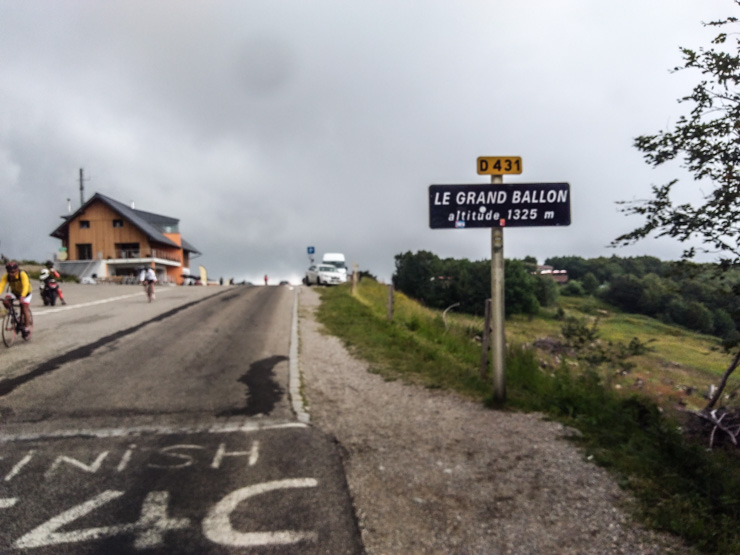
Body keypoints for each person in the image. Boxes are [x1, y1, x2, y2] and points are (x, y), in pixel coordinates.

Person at [0, 261, 33, 338]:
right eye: (9, 272)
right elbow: (1, 286)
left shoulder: (22, 274)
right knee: (5, 301)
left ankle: (26, 328)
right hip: (14, 292)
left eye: (13, 272)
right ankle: (16, 315)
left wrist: (22, 296)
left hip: (26, 293)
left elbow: (25, 286)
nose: (11, 274)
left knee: (24, 308)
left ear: (17, 270)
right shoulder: (6, 276)